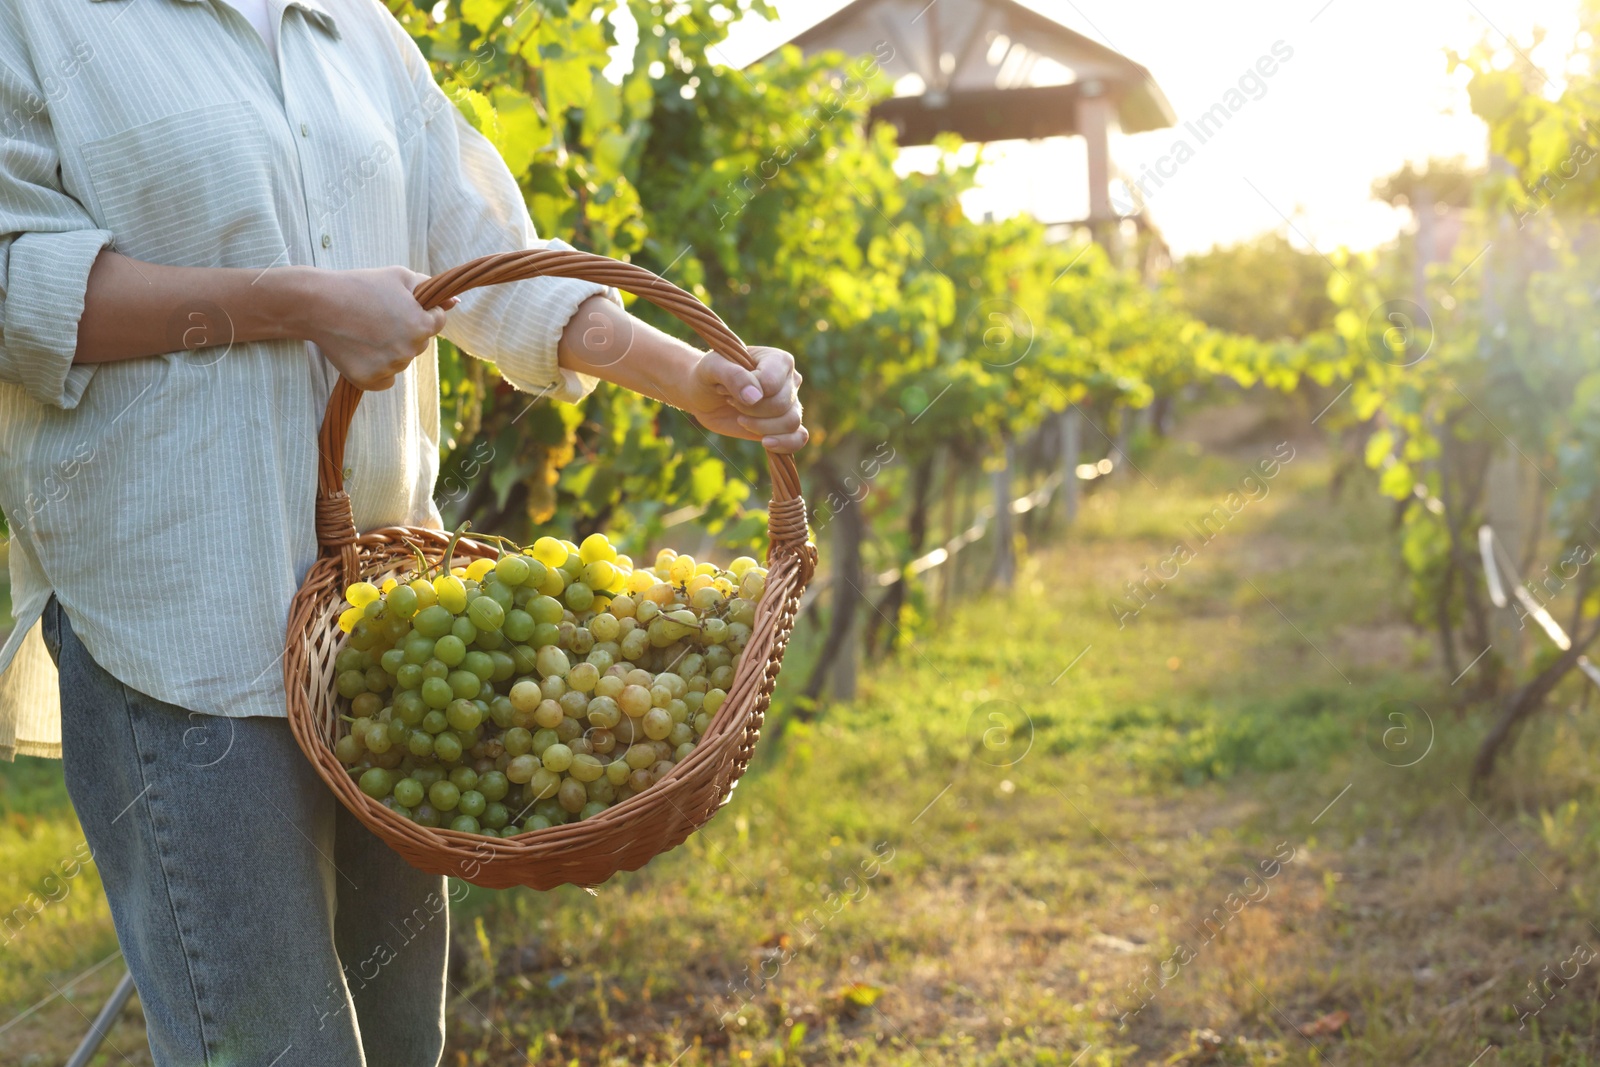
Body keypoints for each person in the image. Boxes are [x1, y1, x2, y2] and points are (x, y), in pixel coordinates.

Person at [0, 0, 806, 1063]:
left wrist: (690, 375)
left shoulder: (355, 24)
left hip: (378, 635)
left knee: (398, 1038)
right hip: (177, 624)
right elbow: (18, 283)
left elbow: (488, 256)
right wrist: (295, 302)